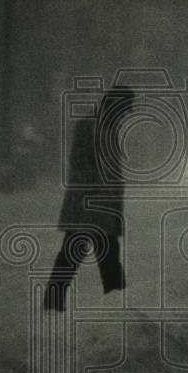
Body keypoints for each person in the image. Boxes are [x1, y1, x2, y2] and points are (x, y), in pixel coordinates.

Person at [45, 85, 134, 311]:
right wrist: (99, 188)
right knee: (92, 257)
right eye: (124, 109)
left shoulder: (107, 128)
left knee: (93, 257)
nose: (126, 115)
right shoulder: (91, 126)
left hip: (99, 209)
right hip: (89, 207)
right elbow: (80, 162)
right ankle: (117, 305)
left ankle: (54, 303)